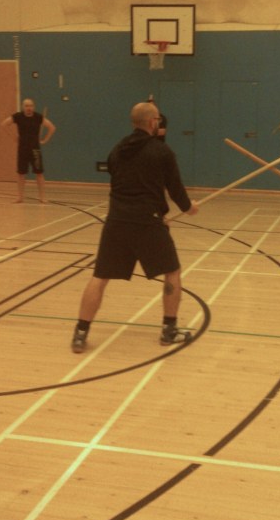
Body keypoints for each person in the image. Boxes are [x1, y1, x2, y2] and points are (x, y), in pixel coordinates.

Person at [71, 100, 200, 353]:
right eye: (157, 120)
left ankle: (80, 333)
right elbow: (175, 190)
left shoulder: (117, 149)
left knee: (100, 277)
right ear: (152, 122)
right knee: (172, 272)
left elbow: (122, 182)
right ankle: (169, 330)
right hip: (148, 222)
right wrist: (189, 207)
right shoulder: (162, 152)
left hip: (116, 221)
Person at [0, 98, 56, 203]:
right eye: (26, 106)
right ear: (23, 107)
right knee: (21, 173)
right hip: (22, 149)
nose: (29, 108)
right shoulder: (18, 116)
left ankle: (42, 197)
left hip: (35, 150)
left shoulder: (38, 117)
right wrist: (13, 137)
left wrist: (45, 140)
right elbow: (4, 124)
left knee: (39, 173)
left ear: (33, 107)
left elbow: (52, 127)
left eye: (30, 106)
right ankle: (20, 197)